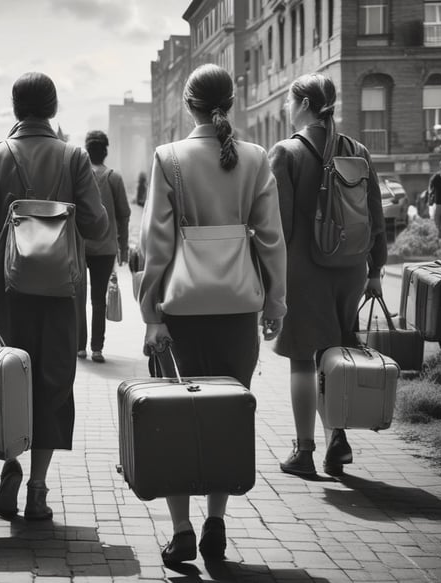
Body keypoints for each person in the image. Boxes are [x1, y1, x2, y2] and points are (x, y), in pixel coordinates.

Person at [139, 63, 287, 564]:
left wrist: (150, 314)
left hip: (180, 310)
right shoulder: (255, 157)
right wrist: (277, 303)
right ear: (232, 101)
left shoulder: (169, 158)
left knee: (175, 415)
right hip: (238, 310)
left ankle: (181, 529)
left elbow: (156, 245)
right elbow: (271, 239)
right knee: (227, 415)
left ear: (188, 105)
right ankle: (216, 522)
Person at [0, 72, 107, 521]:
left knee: (9, 379)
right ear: (54, 107)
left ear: (16, 108)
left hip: (7, 289)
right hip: (62, 291)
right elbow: (97, 226)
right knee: (54, 384)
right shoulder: (74, 156)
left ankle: (11, 465)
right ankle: (38, 488)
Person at [268, 73, 387, 480]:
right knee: (334, 358)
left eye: (289, 101)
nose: (287, 108)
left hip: (304, 271)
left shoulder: (286, 152)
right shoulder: (358, 150)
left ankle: (304, 451)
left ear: (301, 104)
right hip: (351, 269)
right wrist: (376, 271)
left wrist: (270, 281)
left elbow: (278, 228)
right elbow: (375, 216)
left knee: (303, 361)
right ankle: (337, 440)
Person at [76, 130, 131, 363]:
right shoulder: (113, 178)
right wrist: (124, 248)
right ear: (105, 150)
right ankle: (97, 348)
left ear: (87, 150)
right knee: (99, 299)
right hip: (106, 248)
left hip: (79, 246)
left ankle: (80, 347)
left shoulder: (78, 175)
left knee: (79, 298)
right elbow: (124, 215)